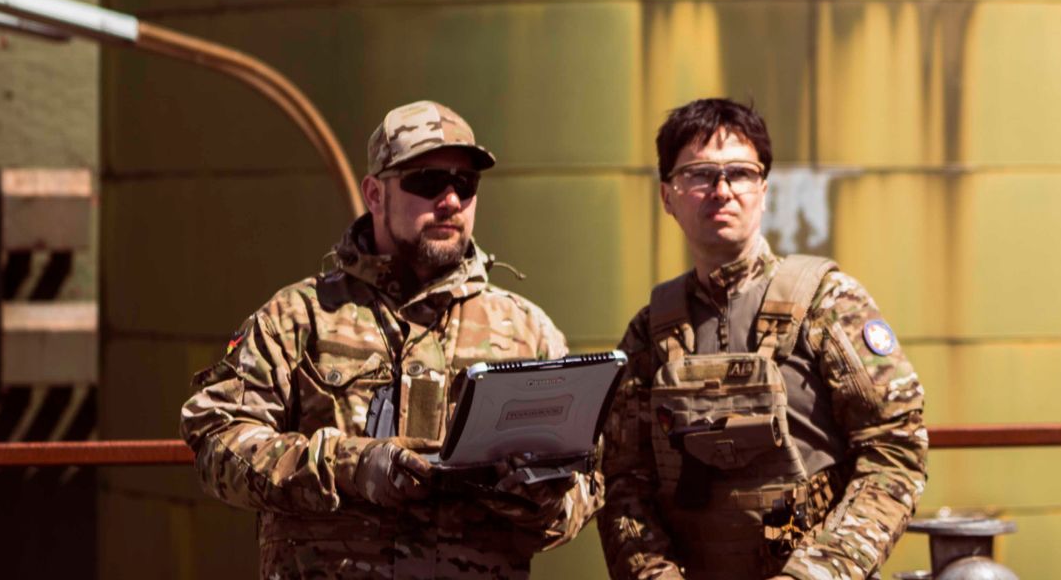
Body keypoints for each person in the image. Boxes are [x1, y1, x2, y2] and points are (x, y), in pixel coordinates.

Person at [182, 99, 600, 578]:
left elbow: (588, 484)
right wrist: (349, 466)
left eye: (464, 184)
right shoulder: (299, 318)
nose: (449, 201)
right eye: (426, 181)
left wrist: (537, 496)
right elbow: (217, 441)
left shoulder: (528, 331)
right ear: (375, 194)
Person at [599, 98, 926, 580]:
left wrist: (818, 571)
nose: (722, 190)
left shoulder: (826, 303)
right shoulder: (651, 331)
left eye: (741, 173)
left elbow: (895, 450)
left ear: (764, 191)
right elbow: (623, 481)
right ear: (667, 196)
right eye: (699, 174)